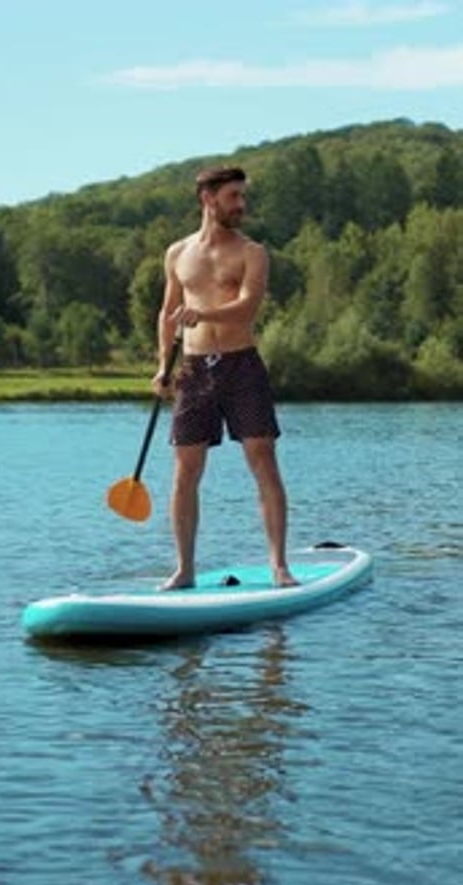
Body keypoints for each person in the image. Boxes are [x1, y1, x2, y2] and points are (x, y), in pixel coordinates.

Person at [152, 166, 297, 590]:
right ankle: (184, 570)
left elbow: (248, 306)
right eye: (234, 196)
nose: (241, 205)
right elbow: (167, 313)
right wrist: (163, 366)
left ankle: (279, 566)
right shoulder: (177, 253)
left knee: (263, 461)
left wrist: (204, 314)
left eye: (242, 197)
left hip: (241, 365)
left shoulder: (252, 252)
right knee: (185, 471)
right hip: (193, 369)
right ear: (208, 199)